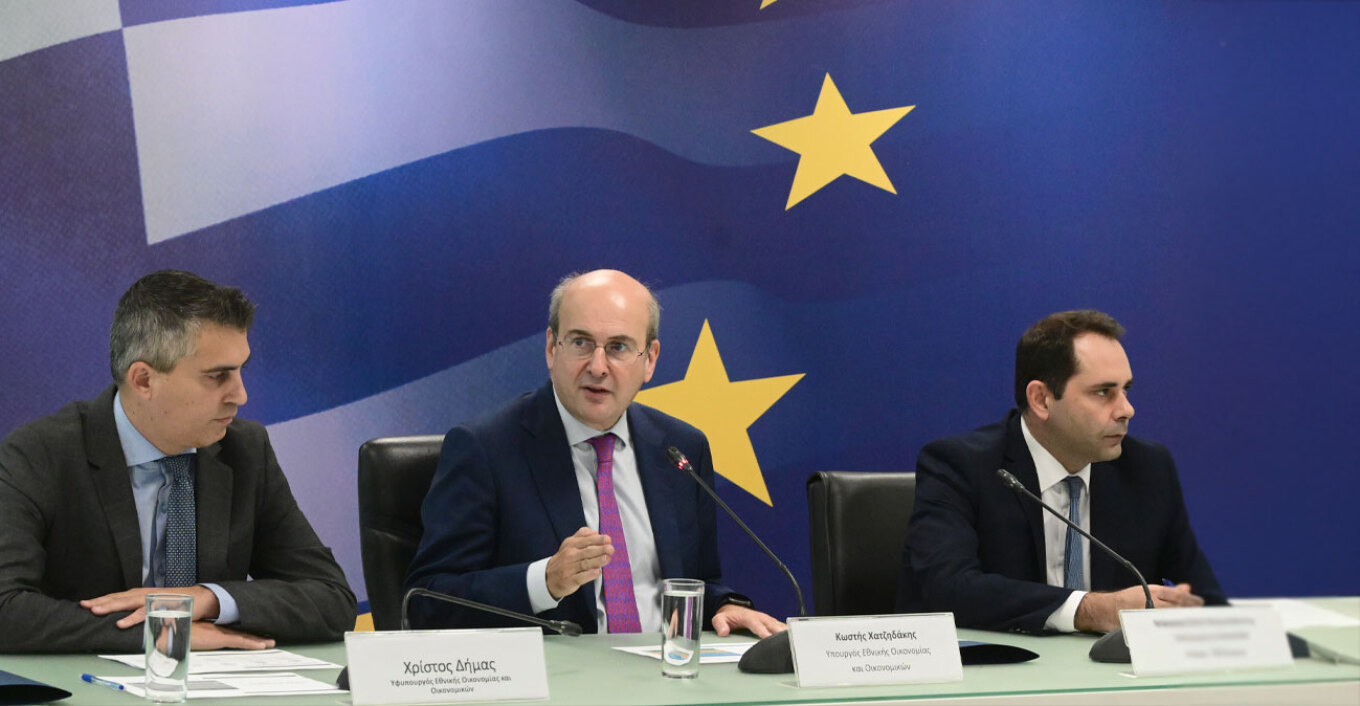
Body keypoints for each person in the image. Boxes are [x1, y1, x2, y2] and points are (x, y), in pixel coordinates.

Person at [406, 269, 785, 637]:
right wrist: (545, 582)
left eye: (618, 347)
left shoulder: (681, 449)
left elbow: (698, 580)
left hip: (663, 672)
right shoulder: (486, 449)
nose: (598, 367)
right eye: (581, 343)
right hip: (556, 678)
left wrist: (722, 606)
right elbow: (425, 602)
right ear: (552, 348)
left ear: (650, 359)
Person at [0, 270, 356, 653]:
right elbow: (5, 607)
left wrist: (207, 599)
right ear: (143, 380)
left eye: (241, 370)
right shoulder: (40, 454)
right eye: (217, 376)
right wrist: (161, 634)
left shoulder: (245, 451)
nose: (240, 395)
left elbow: (332, 598)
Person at [896, 310, 1225, 635]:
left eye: (1126, 390)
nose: (1127, 409)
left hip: (1113, 669)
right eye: (1103, 392)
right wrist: (1089, 610)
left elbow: (1204, 597)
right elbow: (947, 588)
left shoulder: (1147, 468)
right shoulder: (962, 466)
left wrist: (1192, 613)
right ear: (1041, 400)